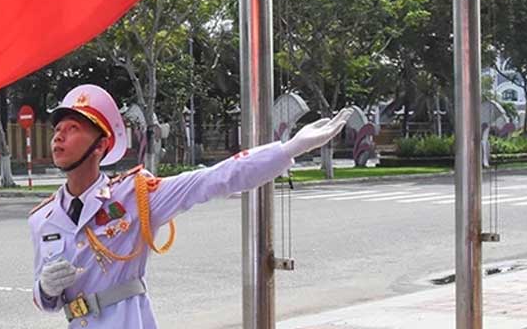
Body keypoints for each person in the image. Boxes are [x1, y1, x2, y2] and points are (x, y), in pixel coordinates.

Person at [29, 84, 351, 328]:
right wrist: (45, 288)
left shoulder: (135, 194)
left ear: (100, 145)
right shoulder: (43, 219)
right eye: (57, 130)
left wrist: (288, 149)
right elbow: (46, 302)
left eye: (72, 130)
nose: (59, 138)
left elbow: (213, 179)